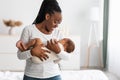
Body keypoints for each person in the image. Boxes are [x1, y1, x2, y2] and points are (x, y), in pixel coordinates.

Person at [16, 0, 71, 80]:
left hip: (53, 75)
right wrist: (32, 52)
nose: (57, 26)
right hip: (32, 76)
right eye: (55, 22)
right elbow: (20, 55)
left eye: (59, 23)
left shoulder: (58, 33)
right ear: (47, 16)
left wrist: (58, 51)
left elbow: (68, 57)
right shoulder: (29, 30)